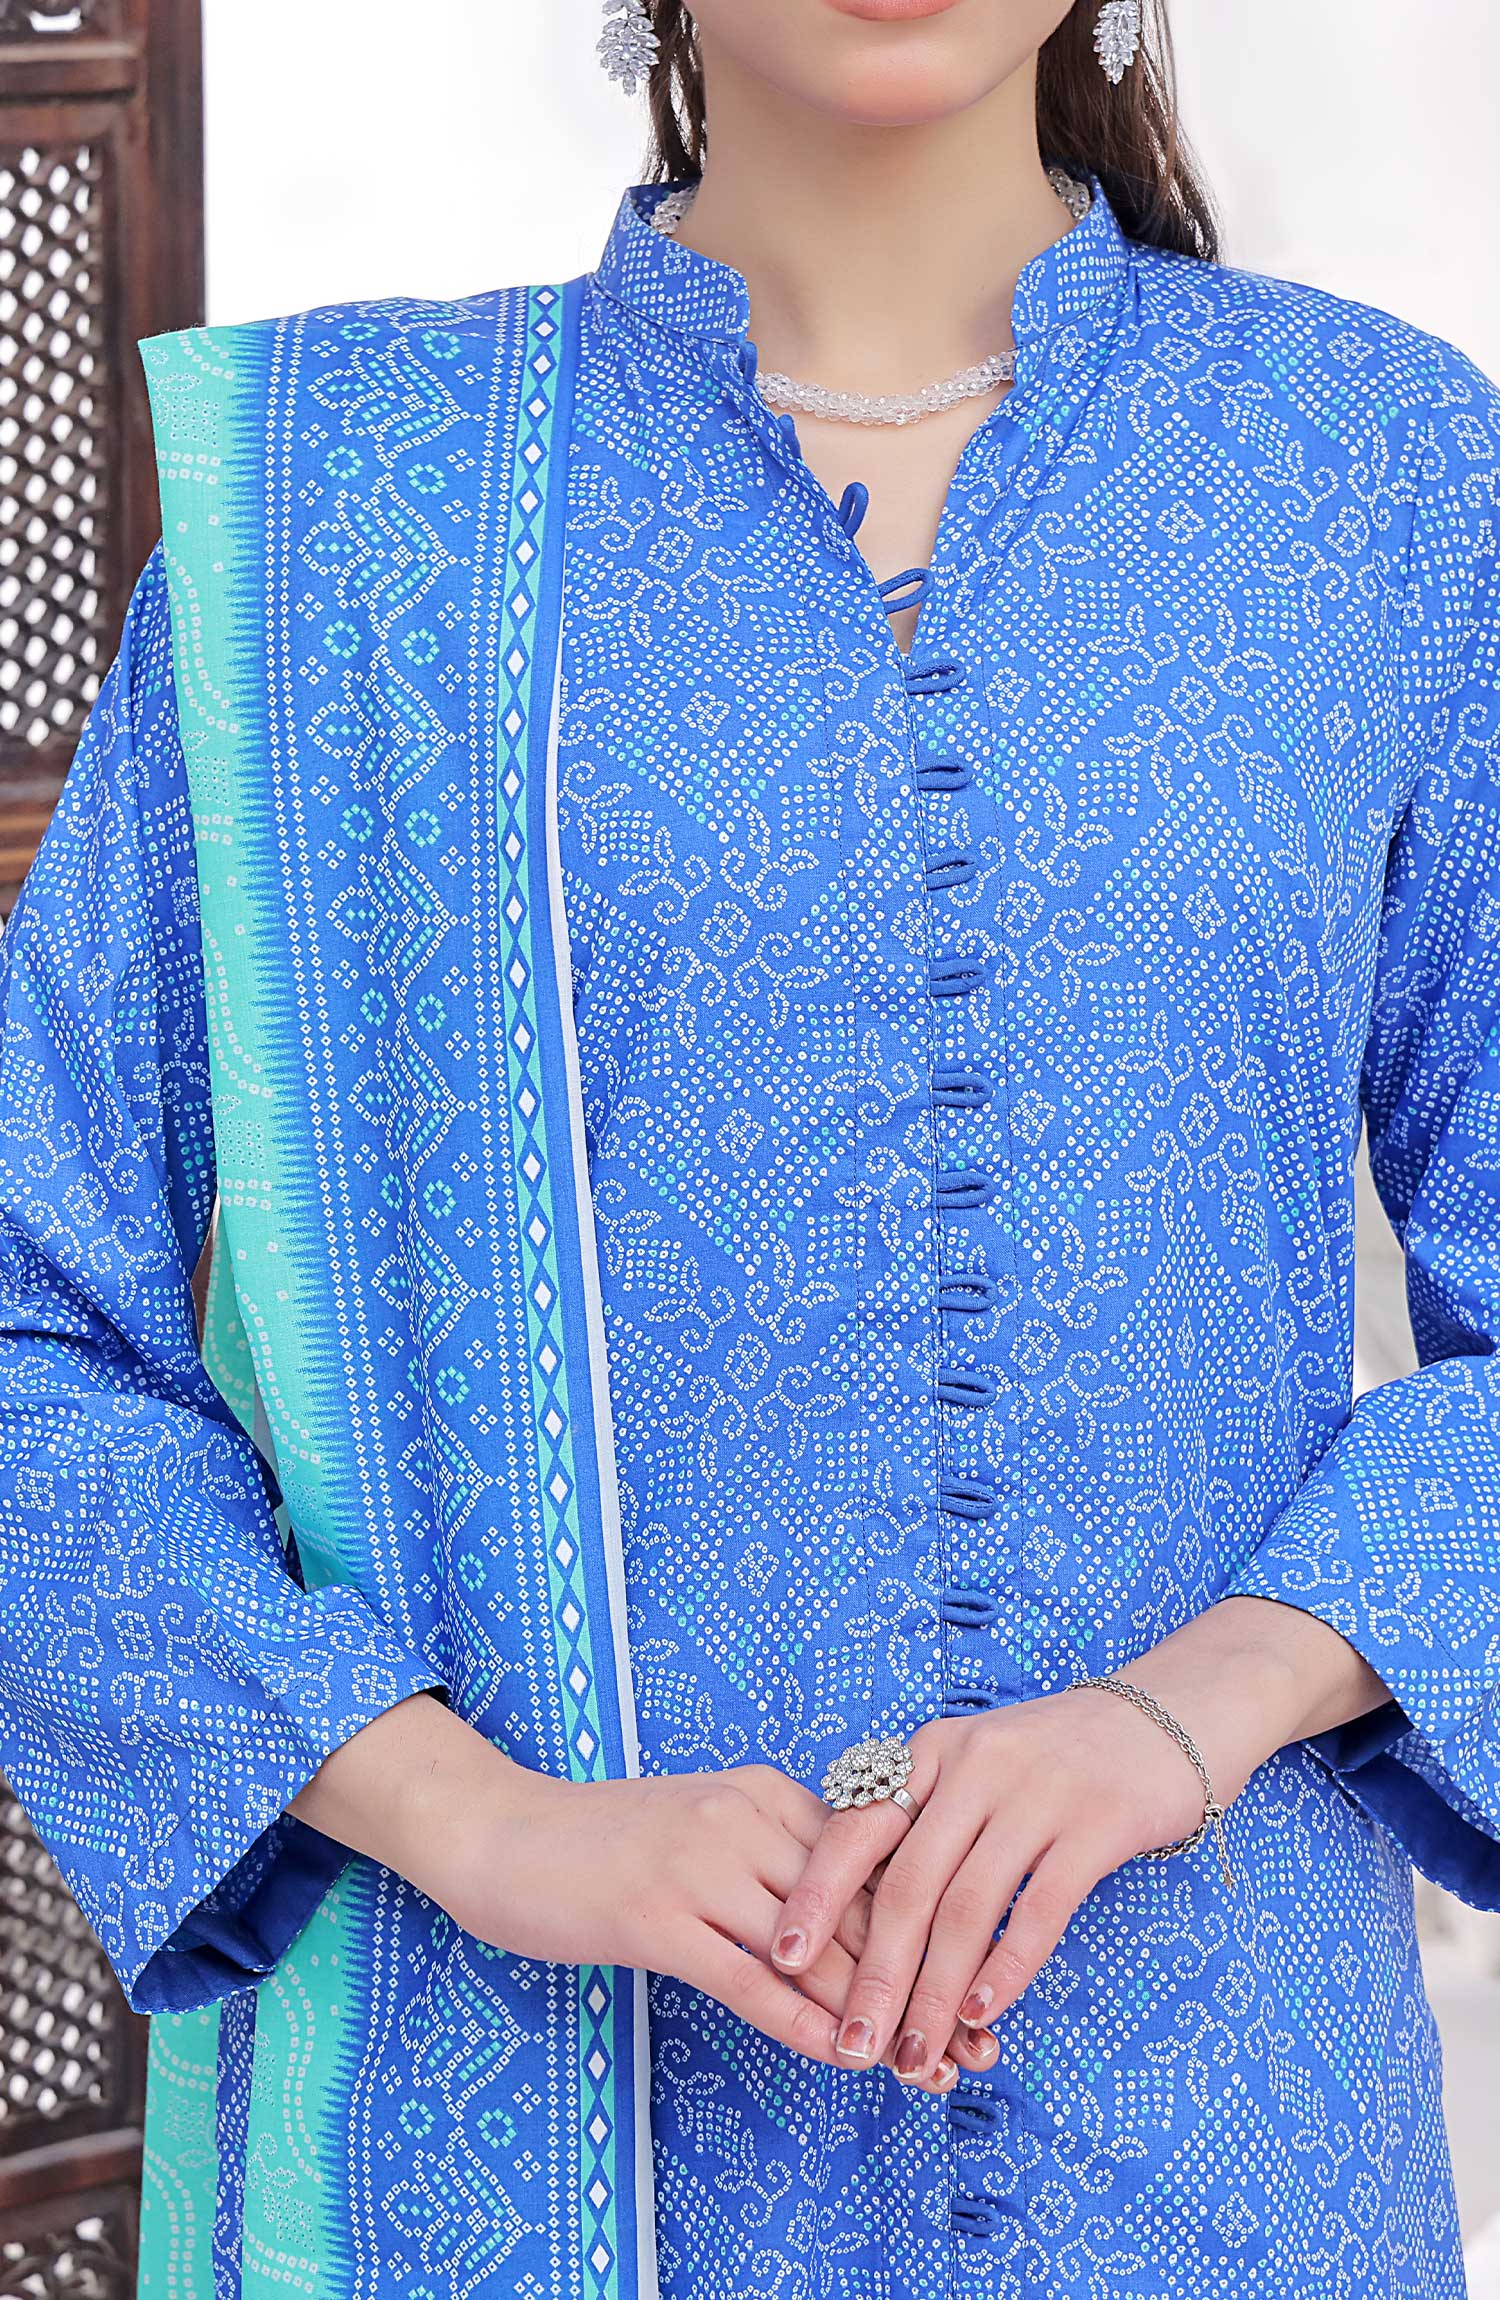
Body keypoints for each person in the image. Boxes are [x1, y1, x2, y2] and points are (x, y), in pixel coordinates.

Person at [1, 0, 1497, 2292]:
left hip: (1223, 2155)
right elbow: (29, 1328)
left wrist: (1186, 1714)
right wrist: (478, 1818)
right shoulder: (338, 522)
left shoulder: (1371, 472)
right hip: (513, 2141)